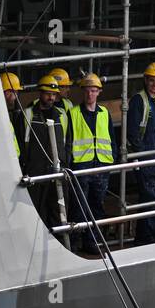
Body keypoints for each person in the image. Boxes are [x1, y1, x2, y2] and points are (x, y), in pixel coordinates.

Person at [68, 73, 118, 255]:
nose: (90, 94)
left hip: (101, 166)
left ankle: (91, 241)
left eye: (94, 91)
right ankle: (73, 242)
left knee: (96, 206)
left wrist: (113, 160)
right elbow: (69, 141)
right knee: (78, 206)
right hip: (81, 166)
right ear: (83, 92)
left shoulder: (104, 113)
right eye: (88, 91)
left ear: (99, 92)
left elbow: (112, 139)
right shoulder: (73, 113)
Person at [22, 74, 72, 234]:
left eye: (53, 94)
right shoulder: (28, 114)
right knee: (36, 213)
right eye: (47, 94)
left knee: (58, 213)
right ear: (40, 93)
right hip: (35, 172)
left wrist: (65, 164)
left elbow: (67, 142)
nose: (51, 97)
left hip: (57, 171)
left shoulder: (62, 115)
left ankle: (58, 247)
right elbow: (22, 144)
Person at [127, 63, 155, 246]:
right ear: (146, 80)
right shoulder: (138, 100)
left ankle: (143, 237)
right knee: (150, 193)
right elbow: (133, 132)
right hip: (146, 154)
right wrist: (141, 154)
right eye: (152, 81)